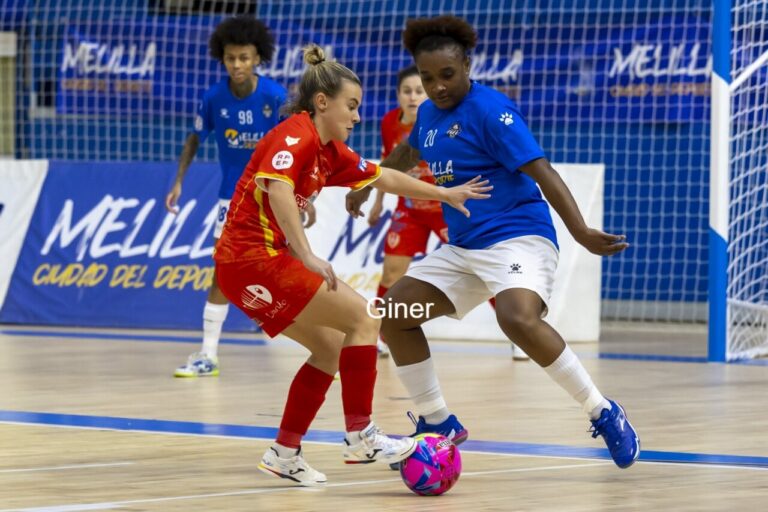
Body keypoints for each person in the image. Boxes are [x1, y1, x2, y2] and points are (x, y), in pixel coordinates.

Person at [346, 15, 640, 469]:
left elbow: (542, 171)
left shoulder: (493, 111)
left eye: (447, 75)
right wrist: (370, 182)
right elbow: (409, 152)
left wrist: (580, 231)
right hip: (464, 247)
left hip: (518, 236)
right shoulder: (427, 113)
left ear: (467, 64)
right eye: (428, 78)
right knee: (394, 315)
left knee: (516, 319)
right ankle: (437, 421)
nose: (438, 86)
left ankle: (603, 411)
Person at [213, 44, 491, 486]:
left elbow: (383, 174)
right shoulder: (296, 133)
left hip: (243, 268)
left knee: (327, 349)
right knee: (366, 318)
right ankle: (361, 434)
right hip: (254, 259)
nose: (357, 117)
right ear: (322, 102)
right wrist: (305, 253)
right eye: (352, 106)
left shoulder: (330, 151)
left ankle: (285, 451)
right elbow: (278, 190)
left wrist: (445, 194)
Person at [164, 16, 301, 378]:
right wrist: (179, 181)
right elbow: (195, 138)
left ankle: (319, 343)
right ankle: (208, 354)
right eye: (230, 58)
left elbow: (296, 149)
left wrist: (305, 197)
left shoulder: (274, 96)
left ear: (258, 58)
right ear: (222, 58)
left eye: (244, 57)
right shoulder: (213, 97)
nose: (237, 65)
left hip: (273, 197)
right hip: (232, 199)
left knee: (288, 269)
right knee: (222, 271)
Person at [368, 66, 530, 361]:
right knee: (392, 271)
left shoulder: (437, 118)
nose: (413, 96)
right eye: (407, 91)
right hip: (410, 208)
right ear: (397, 95)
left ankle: (518, 334)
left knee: (482, 269)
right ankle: (379, 331)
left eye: (419, 90)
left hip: (445, 205)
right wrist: (379, 200)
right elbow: (388, 164)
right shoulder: (389, 121)